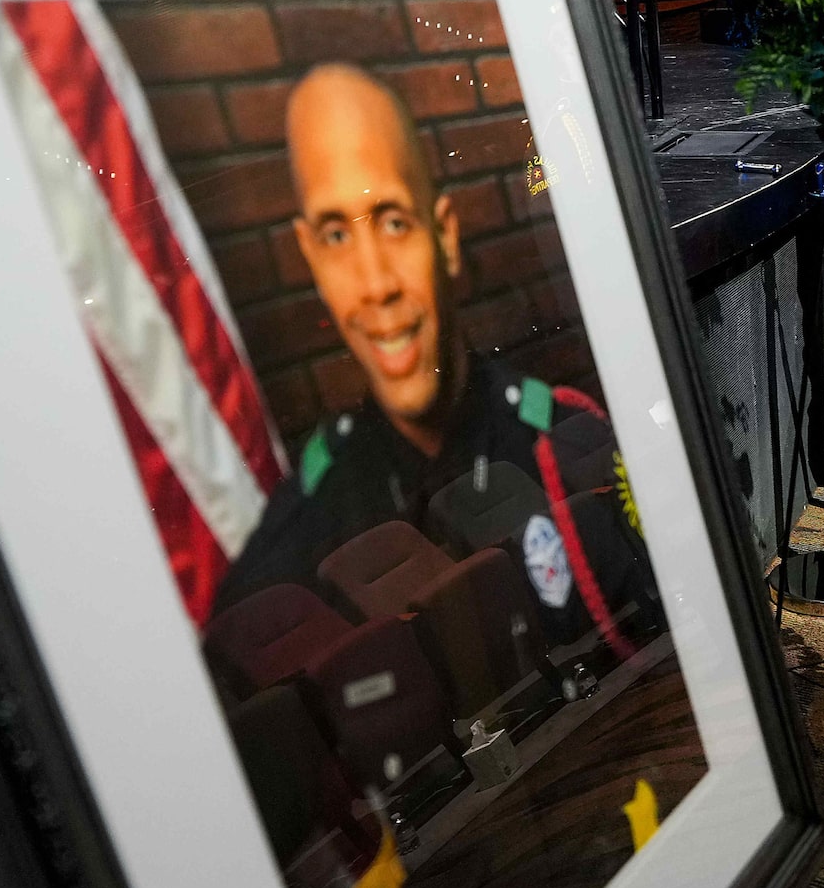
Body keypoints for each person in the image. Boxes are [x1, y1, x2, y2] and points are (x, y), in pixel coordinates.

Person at [214, 63, 626, 614]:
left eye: (393, 223)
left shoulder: (556, 436)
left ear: (445, 238)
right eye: (337, 235)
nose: (376, 284)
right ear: (312, 260)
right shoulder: (305, 524)